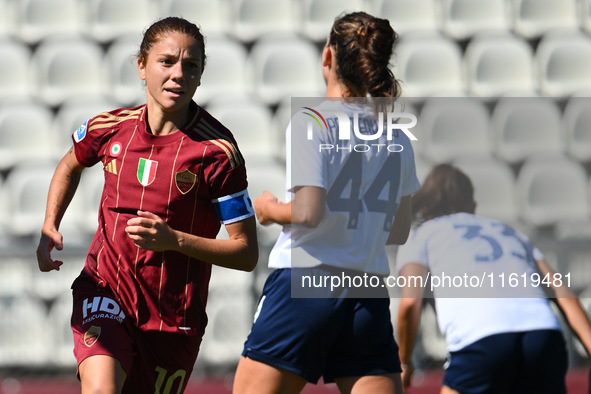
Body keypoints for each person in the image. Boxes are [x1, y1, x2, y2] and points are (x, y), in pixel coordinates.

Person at [36, 17, 258, 394]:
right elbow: (70, 163)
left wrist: (174, 240)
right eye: (167, 61)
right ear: (141, 66)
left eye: (191, 65)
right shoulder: (110, 128)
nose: (178, 74)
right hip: (105, 292)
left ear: (201, 75)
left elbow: (246, 252)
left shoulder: (218, 152)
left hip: (172, 320)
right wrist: (49, 223)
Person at [233, 11, 420, 394]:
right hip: (366, 290)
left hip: (306, 283)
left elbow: (307, 212)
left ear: (328, 58)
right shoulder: (398, 138)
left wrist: (267, 210)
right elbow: (398, 229)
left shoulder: (313, 121)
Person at [396, 164, 591, 394]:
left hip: (482, 340)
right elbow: (563, 294)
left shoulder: (420, 236)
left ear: (425, 206)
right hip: (544, 335)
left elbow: (410, 304)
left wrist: (404, 363)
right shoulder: (509, 232)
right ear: (473, 206)